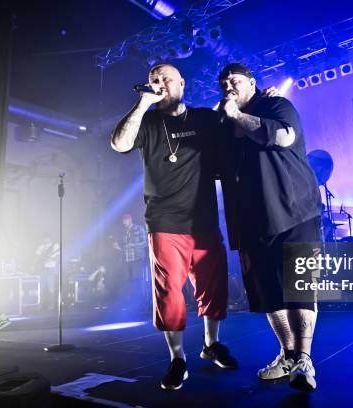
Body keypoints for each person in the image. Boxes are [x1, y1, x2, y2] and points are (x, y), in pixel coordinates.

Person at [111, 63, 238, 391]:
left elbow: (234, 121)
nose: (160, 84)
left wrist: (265, 99)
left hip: (205, 219)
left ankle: (211, 344)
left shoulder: (204, 119)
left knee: (213, 286)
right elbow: (120, 144)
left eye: (166, 78)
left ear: (182, 82)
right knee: (169, 293)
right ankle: (177, 359)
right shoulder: (148, 121)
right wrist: (142, 104)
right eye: (154, 80)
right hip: (165, 220)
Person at [218, 63, 322, 391]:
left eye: (233, 80)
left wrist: (236, 116)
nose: (227, 86)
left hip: (294, 211)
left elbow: (283, 136)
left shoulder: (276, 105)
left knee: (299, 288)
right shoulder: (223, 121)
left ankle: (304, 360)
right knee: (268, 295)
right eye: (222, 83)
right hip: (251, 221)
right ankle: (288, 355)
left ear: (252, 82)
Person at [112, 213, 148, 305]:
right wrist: (118, 248)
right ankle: (130, 301)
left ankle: (140, 301)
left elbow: (145, 242)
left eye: (126, 220)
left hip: (137, 258)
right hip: (126, 259)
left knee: (137, 279)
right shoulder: (123, 232)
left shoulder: (139, 228)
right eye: (123, 220)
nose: (124, 222)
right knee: (127, 281)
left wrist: (133, 245)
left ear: (130, 219)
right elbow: (124, 247)